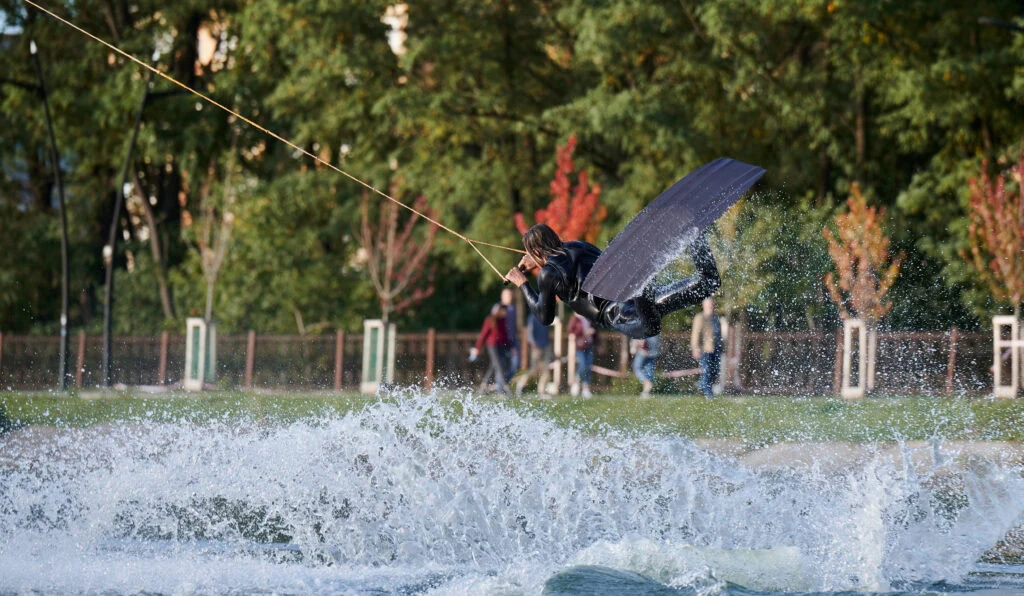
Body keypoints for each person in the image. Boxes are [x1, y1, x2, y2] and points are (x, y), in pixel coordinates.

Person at [504, 223, 720, 340]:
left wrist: (522, 283)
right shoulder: (580, 246)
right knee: (708, 283)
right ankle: (695, 235)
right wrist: (538, 260)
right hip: (636, 299)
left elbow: (544, 316)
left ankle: (643, 279)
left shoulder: (548, 274)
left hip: (622, 316)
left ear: (534, 251)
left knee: (650, 328)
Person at [471, 304, 511, 394]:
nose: (505, 313)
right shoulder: (490, 320)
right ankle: (505, 386)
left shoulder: (502, 320)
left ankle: (483, 385)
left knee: (493, 366)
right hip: (492, 345)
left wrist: (509, 346)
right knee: (499, 365)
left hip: (500, 345)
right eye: (504, 311)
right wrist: (477, 348)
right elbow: (483, 334)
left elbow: (504, 335)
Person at [515, 312, 554, 397]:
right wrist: (533, 343)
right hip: (536, 347)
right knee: (534, 370)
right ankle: (521, 384)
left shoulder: (546, 316)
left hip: (546, 345)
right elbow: (530, 332)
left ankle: (542, 391)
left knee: (546, 370)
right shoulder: (533, 317)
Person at [691, 297, 724, 397]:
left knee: (715, 371)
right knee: (707, 371)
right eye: (708, 304)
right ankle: (708, 393)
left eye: (712, 304)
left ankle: (701, 386)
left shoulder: (716, 318)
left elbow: (720, 335)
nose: (711, 306)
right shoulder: (700, 317)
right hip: (705, 349)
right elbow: (695, 334)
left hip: (716, 348)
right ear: (703, 305)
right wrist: (695, 348)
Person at [568, 313, 595, 397]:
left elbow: (595, 331)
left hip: (589, 345)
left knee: (588, 367)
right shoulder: (575, 318)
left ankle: (586, 388)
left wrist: (593, 333)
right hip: (580, 346)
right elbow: (570, 330)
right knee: (582, 365)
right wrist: (583, 332)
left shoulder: (589, 317)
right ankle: (576, 380)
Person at [499, 287, 520, 381]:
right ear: (502, 296)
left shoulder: (513, 309)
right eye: (507, 295)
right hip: (501, 341)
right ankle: (500, 389)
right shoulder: (498, 309)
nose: (510, 297)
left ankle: (505, 382)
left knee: (516, 363)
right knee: (501, 365)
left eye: (511, 295)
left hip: (512, 341)